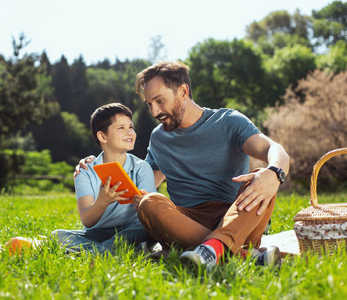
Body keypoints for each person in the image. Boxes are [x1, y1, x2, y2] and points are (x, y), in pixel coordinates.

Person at [75, 61, 290, 268]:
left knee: (260, 175)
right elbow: (138, 182)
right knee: (148, 202)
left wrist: (274, 173)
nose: (154, 111)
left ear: (183, 92)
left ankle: (217, 248)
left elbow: (274, 149)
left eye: (160, 101)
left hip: (237, 216)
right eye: (149, 104)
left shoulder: (229, 122)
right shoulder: (159, 138)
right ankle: (232, 252)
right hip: (183, 223)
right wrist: (97, 162)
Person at [52, 103, 156, 254]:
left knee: (142, 230)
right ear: (102, 136)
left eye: (131, 127)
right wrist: (102, 202)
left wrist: (145, 204)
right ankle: (108, 251)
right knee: (56, 236)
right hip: (96, 233)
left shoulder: (142, 168)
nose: (130, 133)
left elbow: (151, 216)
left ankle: (95, 252)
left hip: (132, 229)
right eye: (121, 128)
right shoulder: (85, 172)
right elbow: (87, 220)